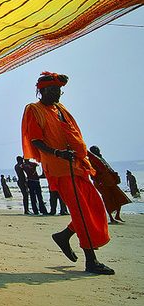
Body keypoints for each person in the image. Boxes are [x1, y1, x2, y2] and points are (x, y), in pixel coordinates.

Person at [22, 72, 113, 274]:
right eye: (54, 90)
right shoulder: (33, 110)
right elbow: (35, 140)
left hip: (78, 166)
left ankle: (64, 236)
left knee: (95, 207)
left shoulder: (60, 108)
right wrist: (57, 153)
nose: (58, 94)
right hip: (60, 169)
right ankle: (91, 260)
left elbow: (74, 136)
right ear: (42, 91)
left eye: (60, 90)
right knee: (81, 212)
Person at [88, 146, 131, 224]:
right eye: (96, 150)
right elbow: (92, 173)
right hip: (102, 183)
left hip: (110, 181)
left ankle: (117, 215)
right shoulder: (92, 160)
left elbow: (108, 169)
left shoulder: (101, 158)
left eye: (97, 149)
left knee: (119, 197)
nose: (98, 151)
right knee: (108, 200)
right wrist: (98, 181)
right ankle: (111, 218)